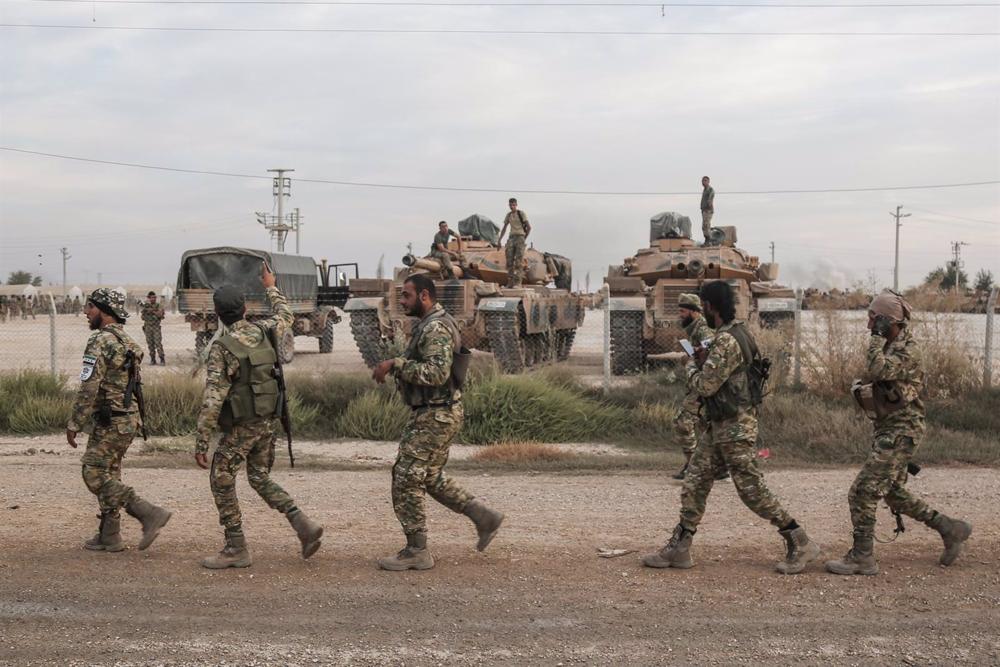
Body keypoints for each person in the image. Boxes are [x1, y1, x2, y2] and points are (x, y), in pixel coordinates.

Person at [642, 280, 821, 574]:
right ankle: (680, 548)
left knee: (752, 491)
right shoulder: (734, 333)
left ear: (710, 307)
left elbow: (705, 385)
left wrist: (690, 364)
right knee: (695, 482)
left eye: (703, 304)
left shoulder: (726, 340)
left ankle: (800, 540)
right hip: (720, 424)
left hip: (735, 427)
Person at [826, 290, 972, 576]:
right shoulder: (894, 345)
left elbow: (877, 369)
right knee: (891, 492)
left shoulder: (907, 350)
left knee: (862, 492)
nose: (869, 326)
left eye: (873, 320)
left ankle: (862, 558)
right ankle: (948, 528)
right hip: (890, 429)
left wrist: (876, 339)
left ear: (886, 321)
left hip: (902, 431)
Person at [194, 264, 323, 569]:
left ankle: (236, 546)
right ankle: (302, 524)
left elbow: (213, 398)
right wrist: (271, 285)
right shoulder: (266, 330)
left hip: (242, 425)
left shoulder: (222, 348)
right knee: (259, 477)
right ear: (245, 309)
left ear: (217, 313)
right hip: (268, 420)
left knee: (221, 478)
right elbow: (286, 315)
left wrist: (201, 441)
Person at [372, 273, 504, 571]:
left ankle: (417, 550)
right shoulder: (431, 324)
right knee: (429, 476)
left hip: (437, 413)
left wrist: (396, 364)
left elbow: (436, 373)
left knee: (406, 476)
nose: (402, 301)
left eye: (406, 296)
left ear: (424, 296)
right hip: (438, 411)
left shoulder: (436, 328)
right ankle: (484, 517)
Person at [66, 288, 172, 553]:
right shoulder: (126, 340)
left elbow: (89, 386)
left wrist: (75, 423)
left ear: (103, 310)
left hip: (111, 419)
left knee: (92, 472)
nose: (85, 312)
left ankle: (148, 513)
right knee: (110, 472)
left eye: (90, 307)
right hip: (127, 419)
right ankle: (109, 534)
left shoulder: (100, 341)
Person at [671, 293, 721, 481]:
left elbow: (711, 356)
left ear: (694, 312)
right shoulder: (695, 328)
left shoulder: (704, 329)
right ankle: (713, 466)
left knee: (682, 421)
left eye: (683, 311)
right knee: (706, 425)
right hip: (700, 381)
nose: (680, 315)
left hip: (704, 383)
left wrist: (690, 359)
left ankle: (694, 466)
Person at [498, 197, 531, 288]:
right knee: (509, 261)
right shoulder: (508, 215)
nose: (512, 206)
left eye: (513, 205)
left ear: (516, 205)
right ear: (509, 205)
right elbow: (504, 228)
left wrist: (524, 238)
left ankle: (517, 283)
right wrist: (499, 240)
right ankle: (510, 282)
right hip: (511, 238)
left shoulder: (521, 213)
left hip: (520, 237)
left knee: (518, 262)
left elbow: (529, 227)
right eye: (510, 205)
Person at [140, 291, 166, 365]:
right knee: (150, 344)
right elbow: (142, 317)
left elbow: (160, 315)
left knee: (158, 344)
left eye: (155, 297)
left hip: (156, 327)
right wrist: (147, 311)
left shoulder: (159, 306)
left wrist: (152, 311)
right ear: (149, 298)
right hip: (148, 327)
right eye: (152, 297)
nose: (153, 299)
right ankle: (152, 359)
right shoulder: (146, 306)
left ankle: (162, 359)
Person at [700, 176, 715, 244]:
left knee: (706, 225)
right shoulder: (705, 190)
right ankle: (707, 239)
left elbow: (710, 199)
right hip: (704, 210)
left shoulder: (710, 189)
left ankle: (709, 240)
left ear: (708, 181)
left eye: (705, 181)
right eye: (703, 181)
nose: (704, 182)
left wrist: (709, 205)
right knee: (704, 226)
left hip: (708, 210)